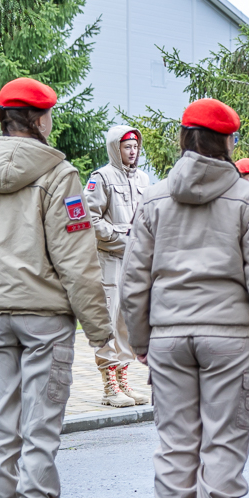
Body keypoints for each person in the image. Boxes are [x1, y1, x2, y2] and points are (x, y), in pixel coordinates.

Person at [119, 98, 249, 498]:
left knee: (175, 443)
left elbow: (134, 278)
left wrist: (139, 335)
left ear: (183, 139)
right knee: (223, 441)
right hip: (228, 335)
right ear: (227, 142)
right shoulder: (247, 197)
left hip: (170, 336)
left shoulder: (154, 198)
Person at [0, 77, 112, 498]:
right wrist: (101, 333)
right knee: (39, 430)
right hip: (44, 318)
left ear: (5, 117)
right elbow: (77, 260)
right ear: (39, 119)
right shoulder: (60, 175)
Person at [86, 126, 151, 408]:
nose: (132, 151)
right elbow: (90, 218)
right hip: (110, 260)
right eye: (127, 147)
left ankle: (124, 377)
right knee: (108, 322)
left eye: (135, 146)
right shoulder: (101, 178)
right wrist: (117, 235)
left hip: (135, 262)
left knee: (128, 323)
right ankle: (108, 385)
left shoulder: (144, 179)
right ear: (115, 148)